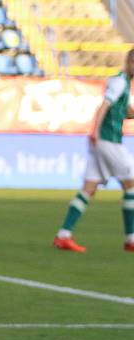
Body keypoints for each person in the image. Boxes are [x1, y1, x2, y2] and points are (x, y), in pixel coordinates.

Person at [54, 49, 134, 253]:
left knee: (89, 188)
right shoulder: (119, 82)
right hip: (108, 141)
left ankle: (63, 235)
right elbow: (104, 106)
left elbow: (123, 111)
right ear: (130, 62)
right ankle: (131, 239)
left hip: (102, 141)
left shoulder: (123, 85)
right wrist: (95, 132)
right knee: (131, 184)